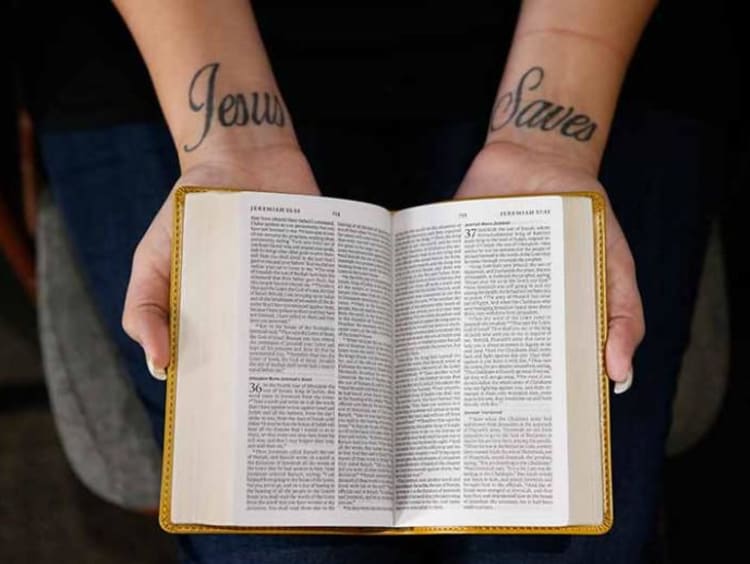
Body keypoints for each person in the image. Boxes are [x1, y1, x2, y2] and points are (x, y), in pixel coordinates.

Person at [19, 0, 727, 561]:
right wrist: (233, 145)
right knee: (280, 542)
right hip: (179, 41)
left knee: (562, 537)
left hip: (576, 39)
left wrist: (543, 145)